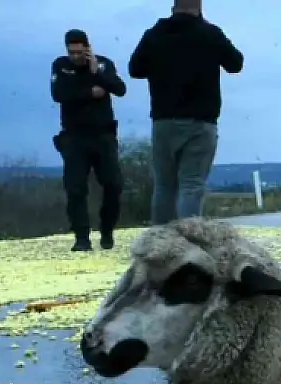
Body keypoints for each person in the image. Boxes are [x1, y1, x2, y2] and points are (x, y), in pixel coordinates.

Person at [128, 0, 244, 225]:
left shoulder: (155, 34)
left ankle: (159, 243)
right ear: (199, 7)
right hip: (201, 122)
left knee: (164, 186)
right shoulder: (210, 33)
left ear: (173, 6)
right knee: (191, 184)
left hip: (163, 121)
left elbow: (135, 69)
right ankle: (189, 245)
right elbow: (235, 63)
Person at [50, 29, 127, 251]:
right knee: (75, 188)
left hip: (103, 135)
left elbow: (119, 89)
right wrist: (88, 92)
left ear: (87, 48)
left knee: (113, 185)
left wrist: (97, 72)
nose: (75, 56)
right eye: (71, 52)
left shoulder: (103, 64)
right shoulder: (61, 66)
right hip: (74, 136)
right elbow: (59, 93)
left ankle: (107, 231)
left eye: (79, 51)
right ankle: (82, 238)